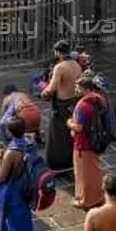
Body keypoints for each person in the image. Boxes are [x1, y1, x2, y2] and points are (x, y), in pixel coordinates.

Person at [0, 116, 40, 231]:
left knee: (18, 226)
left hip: (14, 194)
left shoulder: (12, 152)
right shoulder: (30, 144)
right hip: (28, 190)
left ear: (9, 132)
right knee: (14, 223)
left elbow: (1, 176)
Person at [41, 40, 81, 172]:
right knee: (71, 133)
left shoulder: (60, 67)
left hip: (62, 105)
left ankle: (59, 164)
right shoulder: (76, 64)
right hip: (74, 102)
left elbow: (51, 88)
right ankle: (73, 160)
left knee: (59, 136)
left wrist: (42, 91)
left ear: (57, 52)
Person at [69, 72, 108, 210]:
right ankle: (99, 196)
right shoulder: (99, 99)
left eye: (78, 88)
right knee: (95, 170)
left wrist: (69, 123)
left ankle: (86, 200)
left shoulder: (81, 106)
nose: (76, 89)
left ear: (85, 89)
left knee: (83, 173)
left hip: (83, 143)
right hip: (96, 139)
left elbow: (78, 127)